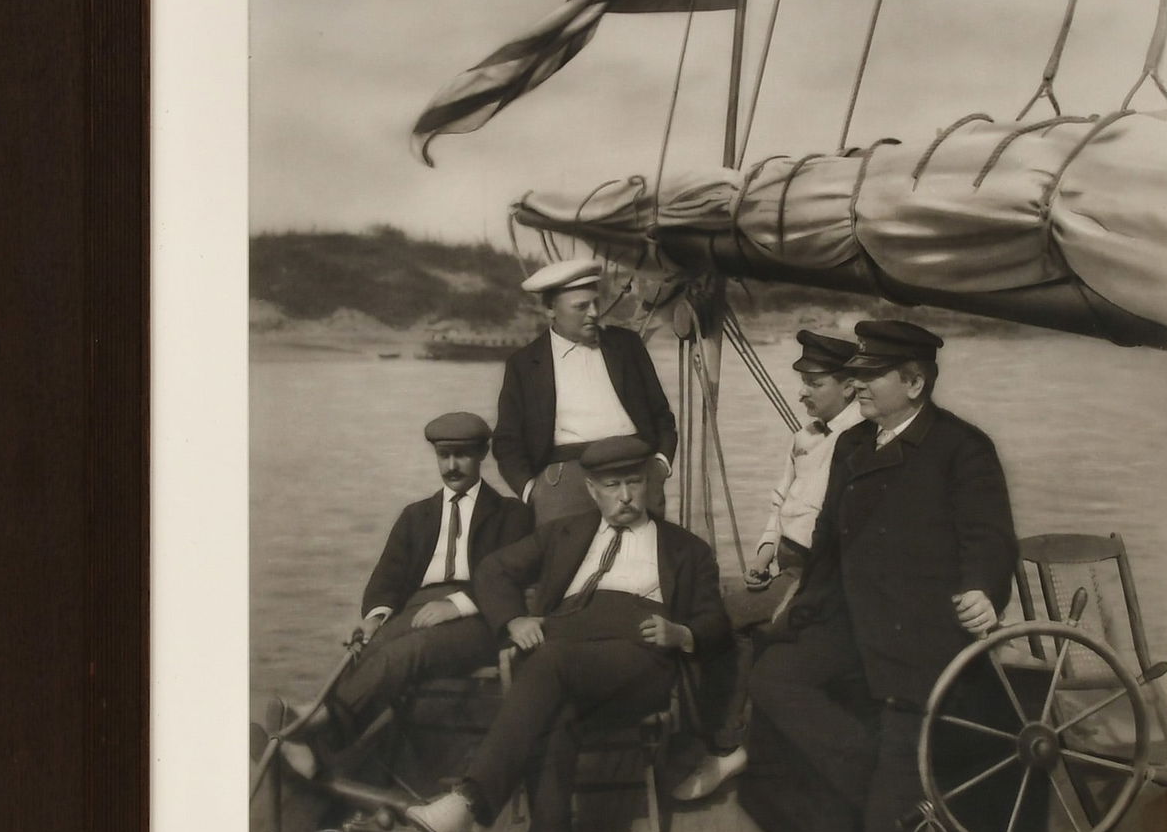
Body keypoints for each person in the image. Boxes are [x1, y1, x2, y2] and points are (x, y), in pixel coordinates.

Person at [746, 320, 1017, 832]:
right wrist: (800, 610)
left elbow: (989, 537)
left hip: (922, 631)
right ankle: (900, 798)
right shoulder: (854, 445)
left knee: (901, 739)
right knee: (772, 678)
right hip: (848, 617)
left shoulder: (963, 449)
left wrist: (983, 590)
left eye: (871, 375)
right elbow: (831, 546)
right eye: (858, 374)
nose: (858, 384)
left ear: (914, 382)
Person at [404, 435, 730, 832]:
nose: (626, 497)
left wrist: (680, 631)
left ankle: (469, 800)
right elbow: (493, 570)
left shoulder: (687, 549)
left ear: (649, 483)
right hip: (568, 649)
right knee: (555, 716)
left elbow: (715, 621)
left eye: (635, 482)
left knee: (547, 665)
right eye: (613, 485)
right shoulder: (563, 533)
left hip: (638, 653)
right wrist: (513, 619)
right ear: (591, 489)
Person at [271, 411, 533, 778]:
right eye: (444, 456)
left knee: (412, 650)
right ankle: (323, 747)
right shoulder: (416, 516)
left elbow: (512, 576)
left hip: (480, 618)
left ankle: (314, 723)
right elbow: (387, 580)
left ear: (482, 454)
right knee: (369, 648)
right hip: (415, 610)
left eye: (462, 455)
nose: (452, 465)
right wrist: (374, 618)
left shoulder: (512, 515)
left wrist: (455, 605)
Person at [673, 327, 864, 803]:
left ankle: (731, 746)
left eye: (815, 383)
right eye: (803, 381)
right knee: (712, 617)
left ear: (849, 386)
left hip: (821, 575)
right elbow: (782, 501)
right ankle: (724, 735)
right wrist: (763, 551)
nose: (802, 392)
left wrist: (796, 571)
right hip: (785, 567)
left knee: (732, 626)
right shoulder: (805, 436)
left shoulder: (860, 442)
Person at [493, 257, 677, 524]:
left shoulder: (627, 346)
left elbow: (661, 415)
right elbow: (507, 442)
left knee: (644, 558)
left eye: (595, 303)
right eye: (581, 307)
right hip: (563, 485)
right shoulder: (524, 364)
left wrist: (659, 465)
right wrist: (532, 491)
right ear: (550, 308)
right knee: (564, 564)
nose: (593, 313)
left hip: (636, 474)